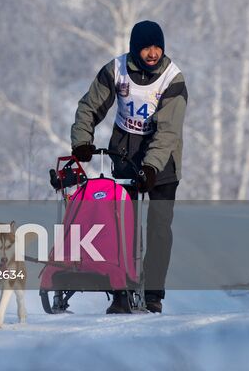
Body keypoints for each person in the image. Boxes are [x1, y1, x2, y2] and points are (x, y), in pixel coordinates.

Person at [70, 19, 187, 314]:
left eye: (157, 47)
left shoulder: (173, 80)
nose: (152, 53)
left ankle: (152, 294)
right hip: (125, 154)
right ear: (136, 49)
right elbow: (89, 106)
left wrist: (150, 168)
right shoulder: (116, 70)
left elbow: (168, 133)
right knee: (122, 227)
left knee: (159, 229)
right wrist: (82, 141)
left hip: (163, 162)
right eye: (146, 48)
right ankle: (121, 291)